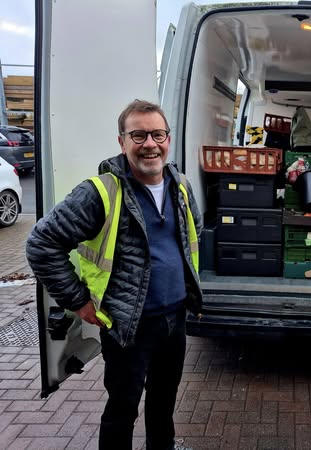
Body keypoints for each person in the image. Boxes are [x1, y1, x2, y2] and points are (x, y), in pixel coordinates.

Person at [26, 99, 203, 450]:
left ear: (168, 138)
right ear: (121, 142)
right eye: (138, 135)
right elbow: (41, 244)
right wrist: (77, 301)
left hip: (174, 320)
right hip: (128, 326)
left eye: (157, 134)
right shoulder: (100, 191)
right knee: (122, 408)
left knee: (164, 404)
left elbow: (189, 239)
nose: (149, 144)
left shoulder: (179, 185)